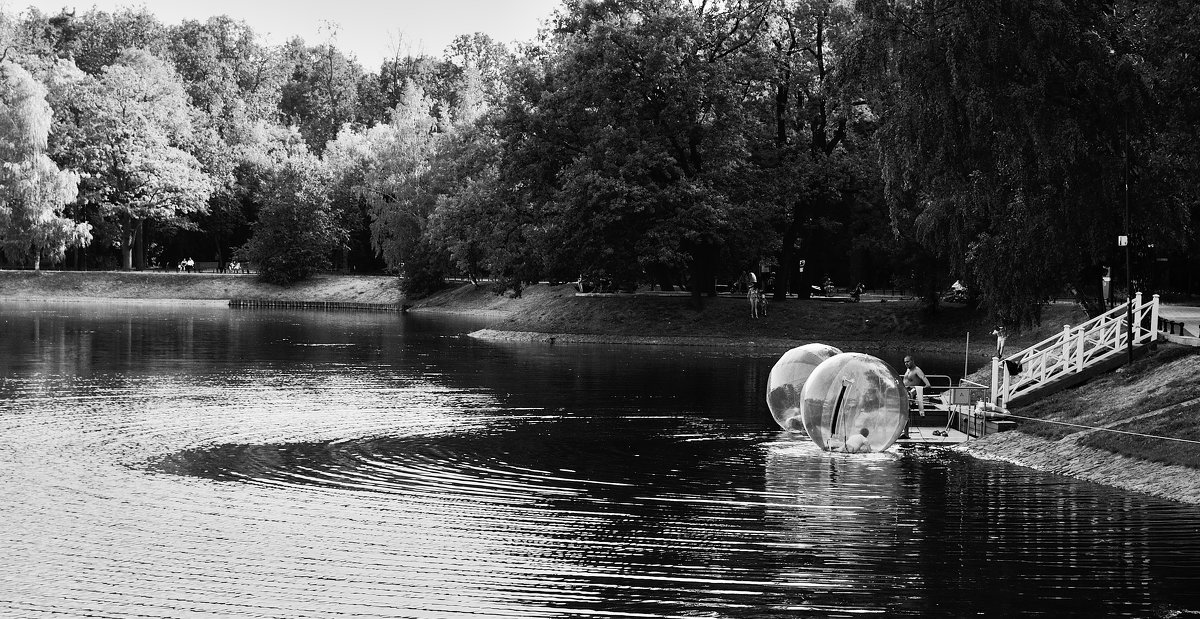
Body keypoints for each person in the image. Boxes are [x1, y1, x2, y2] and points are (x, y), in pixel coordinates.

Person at [900, 355, 931, 439]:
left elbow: (924, 379)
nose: (906, 363)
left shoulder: (917, 370)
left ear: (912, 361)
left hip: (910, 393)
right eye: (905, 362)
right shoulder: (908, 370)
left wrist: (926, 385)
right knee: (903, 413)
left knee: (906, 413)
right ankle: (905, 433)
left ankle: (906, 434)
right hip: (904, 392)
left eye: (908, 361)